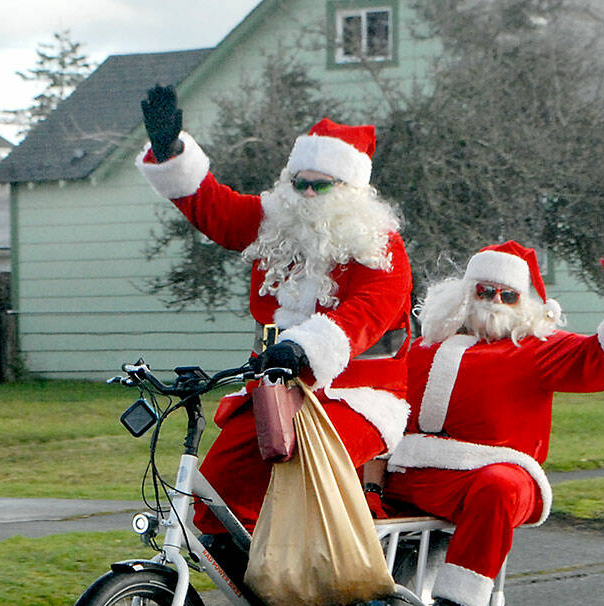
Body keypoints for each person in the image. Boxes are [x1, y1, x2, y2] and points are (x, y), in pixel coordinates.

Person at [134, 86, 413, 549]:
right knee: (214, 490)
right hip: (276, 392)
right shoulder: (274, 223)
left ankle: (307, 589)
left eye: (320, 185)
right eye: (298, 182)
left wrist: (304, 347)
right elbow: (215, 210)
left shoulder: (378, 246)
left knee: (299, 462)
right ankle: (266, 600)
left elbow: (369, 312)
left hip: (361, 397)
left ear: (349, 191)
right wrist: (170, 152)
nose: (305, 194)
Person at [381, 238, 604, 606]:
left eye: (508, 295)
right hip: (415, 475)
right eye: (485, 292)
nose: (495, 302)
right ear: (465, 293)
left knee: (498, 486)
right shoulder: (421, 348)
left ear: (523, 302)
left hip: (494, 477)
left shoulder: (538, 347)